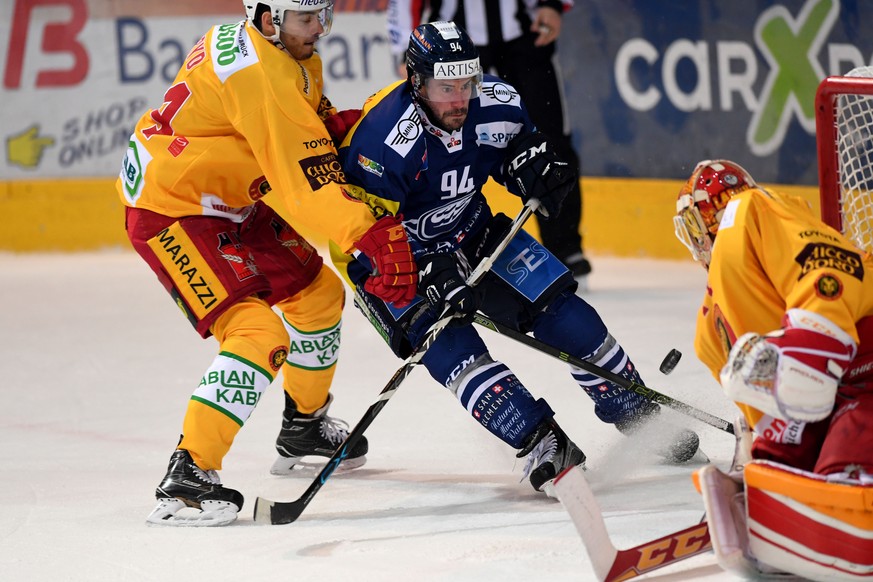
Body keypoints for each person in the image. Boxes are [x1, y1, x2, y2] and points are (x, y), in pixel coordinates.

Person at [333, 21, 699, 494]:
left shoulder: (495, 102)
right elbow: (363, 230)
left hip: (473, 231)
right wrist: (426, 271)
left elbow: (509, 151)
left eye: (467, 83)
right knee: (454, 351)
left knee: (569, 316)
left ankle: (634, 411)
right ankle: (540, 441)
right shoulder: (382, 142)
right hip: (387, 263)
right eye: (447, 87)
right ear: (416, 81)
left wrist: (532, 168)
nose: (460, 99)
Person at [116, 0, 418, 526]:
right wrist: (368, 230)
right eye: (307, 18)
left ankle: (302, 425)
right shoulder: (263, 75)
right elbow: (305, 183)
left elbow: (303, 129)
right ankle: (188, 476)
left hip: (223, 195)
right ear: (267, 16)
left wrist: (344, 128)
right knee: (258, 336)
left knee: (319, 296)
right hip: (172, 210)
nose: (319, 29)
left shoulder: (278, 51)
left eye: (323, 15)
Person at [672, 159, 873, 579]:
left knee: (851, 449)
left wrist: (811, 345)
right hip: (835, 394)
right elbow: (771, 413)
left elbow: (828, 265)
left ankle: (843, 494)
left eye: (700, 220)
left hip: (861, 364)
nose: (703, 232)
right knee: (797, 457)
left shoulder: (749, 211)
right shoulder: (710, 333)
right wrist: (759, 469)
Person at [385, 0, 591, 283]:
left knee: (548, 143)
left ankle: (565, 247)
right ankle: (440, 246)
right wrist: (404, 49)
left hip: (525, 37)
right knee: (445, 141)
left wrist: (551, 4)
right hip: (449, 50)